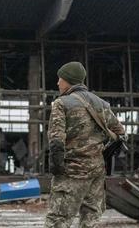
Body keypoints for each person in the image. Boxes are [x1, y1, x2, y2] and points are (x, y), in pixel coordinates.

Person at [44, 61, 126, 228]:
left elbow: (56, 140)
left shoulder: (61, 103)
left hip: (71, 171)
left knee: (58, 221)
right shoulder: (101, 104)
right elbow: (120, 132)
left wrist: (57, 169)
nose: (58, 83)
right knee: (90, 221)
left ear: (69, 80)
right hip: (96, 172)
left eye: (60, 79)